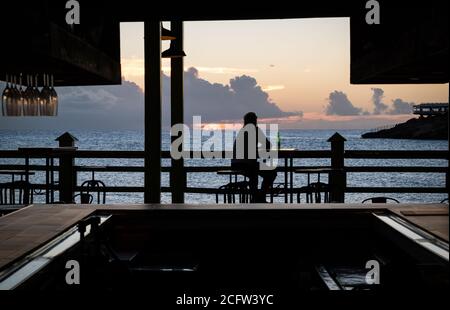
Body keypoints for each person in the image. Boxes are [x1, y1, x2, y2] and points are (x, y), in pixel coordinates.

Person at [232, 112, 277, 202]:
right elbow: (268, 145)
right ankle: (260, 197)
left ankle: (257, 198)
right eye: (255, 119)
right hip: (247, 164)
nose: (256, 121)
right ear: (254, 121)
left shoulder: (242, 131)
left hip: (235, 164)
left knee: (254, 174)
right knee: (271, 173)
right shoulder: (255, 130)